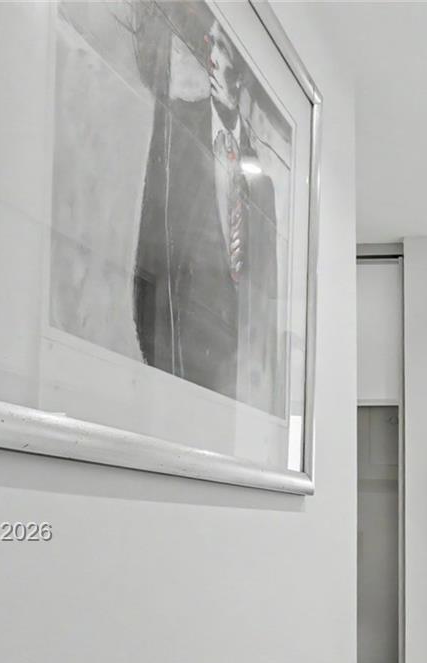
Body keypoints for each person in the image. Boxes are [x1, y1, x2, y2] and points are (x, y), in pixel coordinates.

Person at [132, 9, 283, 412]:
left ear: (243, 75)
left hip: (235, 381)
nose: (211, 59)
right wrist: (156, 368)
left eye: (222, 49)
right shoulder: (175, 129)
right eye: (209, 44)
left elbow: (266, 303)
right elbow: (148, 260)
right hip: (177, 366)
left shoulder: (263, 186)